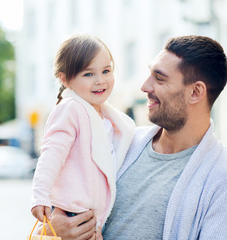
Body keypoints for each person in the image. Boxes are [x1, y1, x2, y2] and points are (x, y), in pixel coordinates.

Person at [47, 35, 227, 240]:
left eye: (159, 78)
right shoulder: (122, 141)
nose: (145, 86)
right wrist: (50, 232)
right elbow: (64, 201)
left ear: (196, 92)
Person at [30, 34, 135, 235]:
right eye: (88, 74)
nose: (100, 80)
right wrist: (40, 196)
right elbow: (51, 153)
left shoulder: (107, 116)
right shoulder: (71, 109)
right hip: (72, 211)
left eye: (106, 71)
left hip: (93, 216)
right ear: (64, 79)